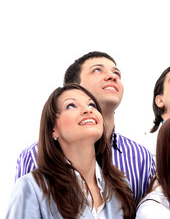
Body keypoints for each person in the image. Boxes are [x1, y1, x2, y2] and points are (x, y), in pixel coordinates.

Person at [15, 51, 154, 204]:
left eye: (116, 73)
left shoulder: (141, 157)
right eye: (97, 70)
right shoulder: (34, 155)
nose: (112, 76)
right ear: (73, 87)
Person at [6, 84, 136, 218]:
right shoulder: (31, 187)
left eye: (92, 105)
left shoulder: (120, 187)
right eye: (71, 106)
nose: (87, 110)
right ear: (53, 129)